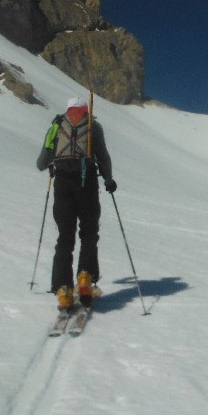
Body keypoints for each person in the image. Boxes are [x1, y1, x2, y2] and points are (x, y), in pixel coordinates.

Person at [36, 96, 117, 311]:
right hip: (87, 183)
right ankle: (84, 278)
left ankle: (63, 289)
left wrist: (54, 162)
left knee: (65, 236)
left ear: (69, 108)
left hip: (62, 184)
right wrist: (109, 180)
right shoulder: (93, 126)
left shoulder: (57, 125)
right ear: (85, 109)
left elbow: (40, 163)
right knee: (89, 232)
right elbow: (104, 157)